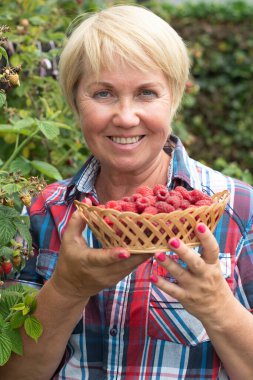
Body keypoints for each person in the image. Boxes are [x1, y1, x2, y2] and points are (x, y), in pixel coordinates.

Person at [1, 5, 253, 380]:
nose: (125, 116)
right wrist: (67, 290)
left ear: (175, 98)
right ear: (74, 100)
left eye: (146, 93)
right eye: (103, 93)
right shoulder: (40, 213)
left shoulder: (239, 210)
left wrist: (218, 305)